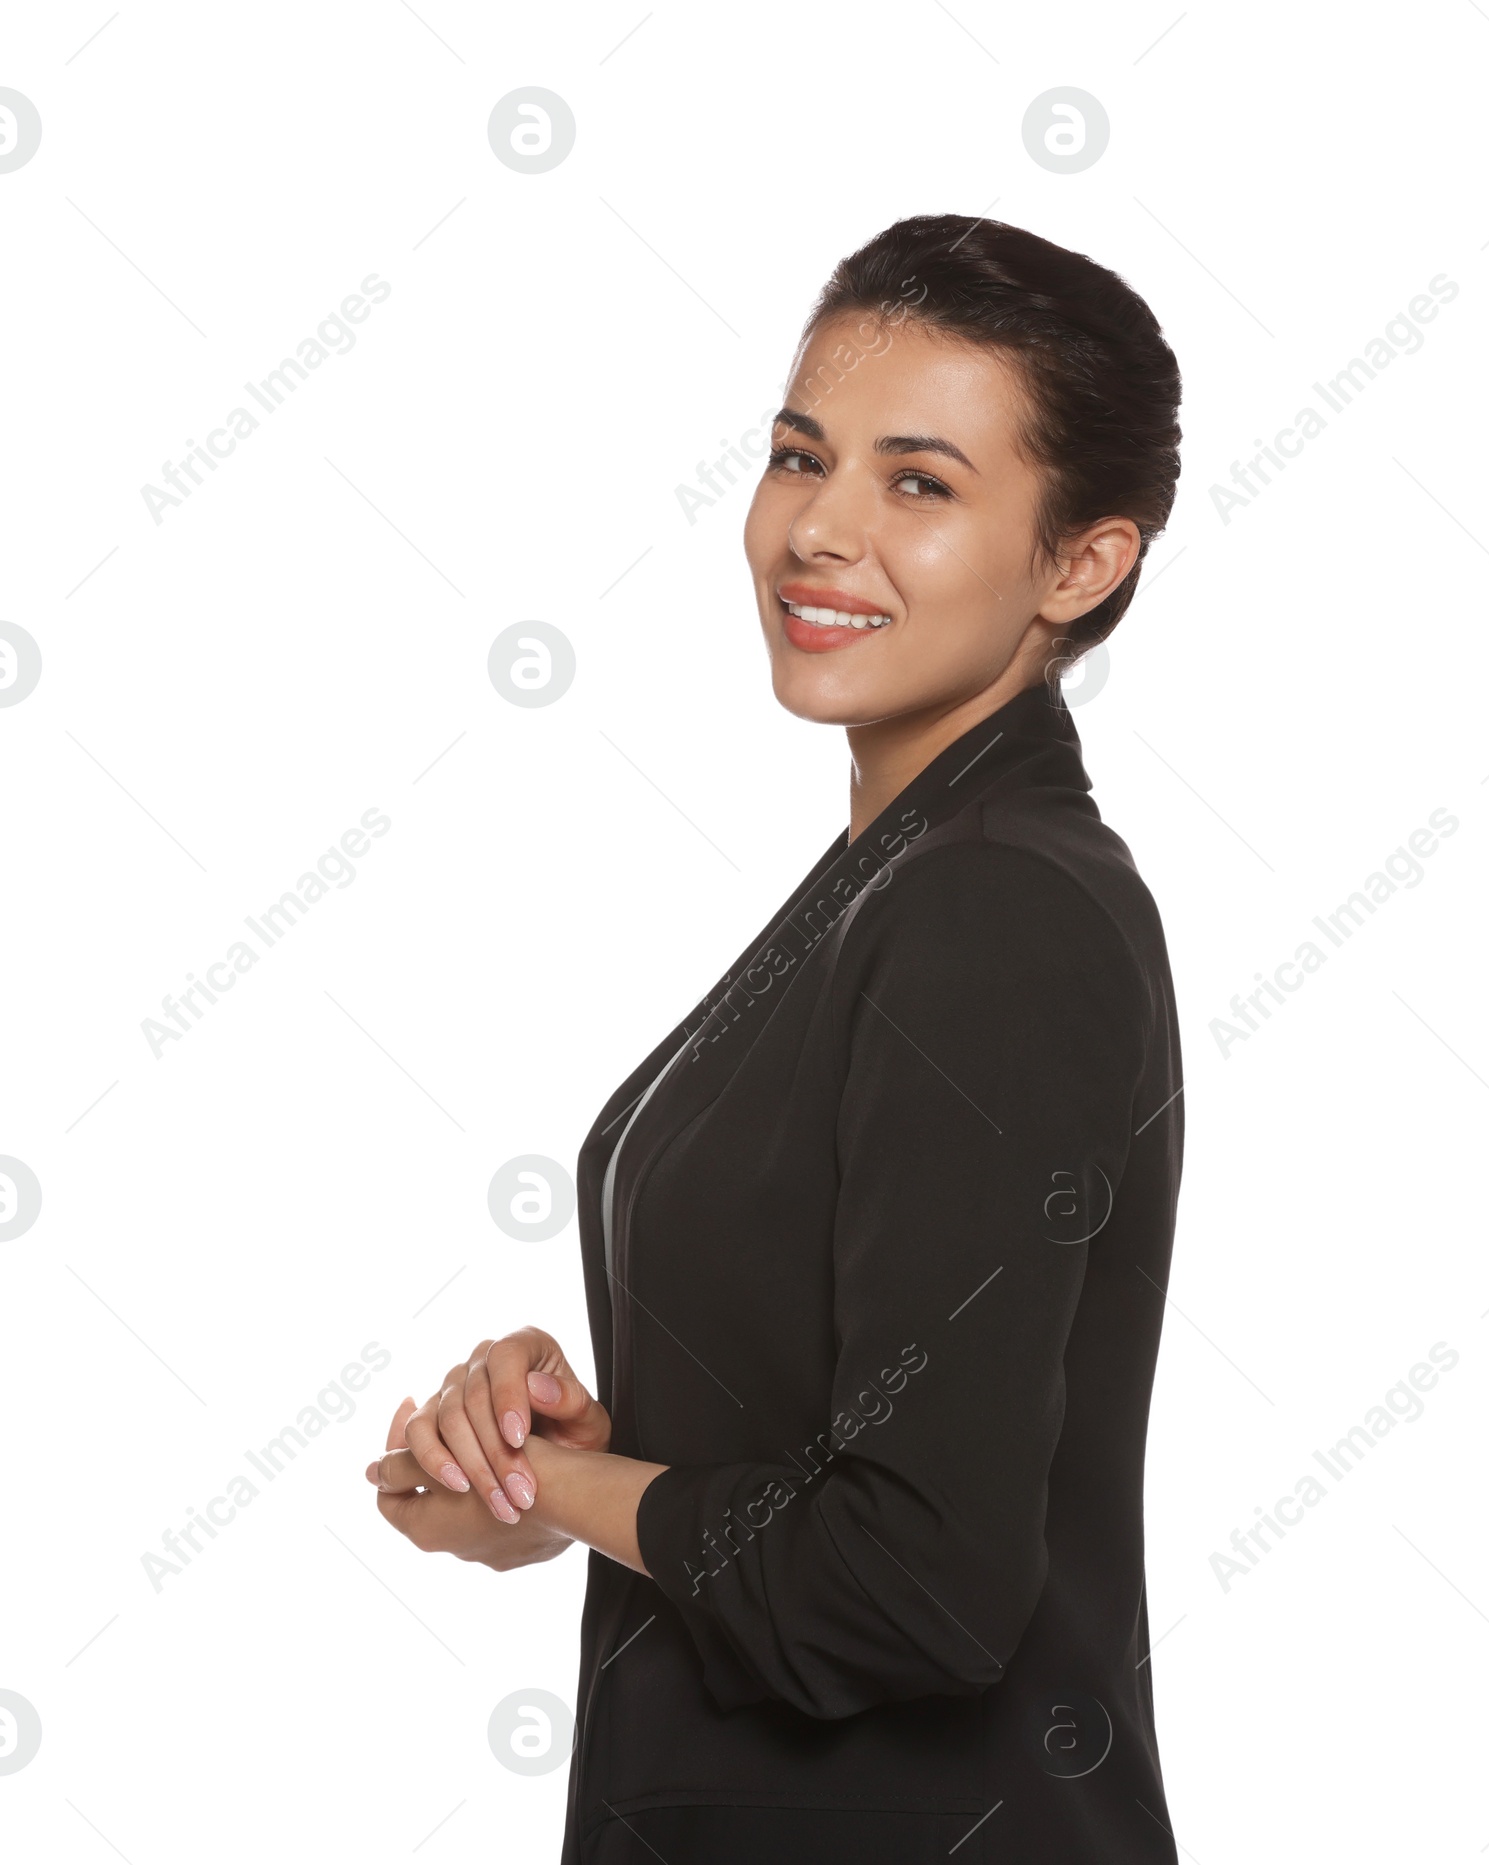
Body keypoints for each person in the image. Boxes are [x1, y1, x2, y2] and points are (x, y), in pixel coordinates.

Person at [368, 212, 1186, 1863]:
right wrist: (585, 1449)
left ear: (1081, 563)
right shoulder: (906, 883)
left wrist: (562, 1497)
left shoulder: (995, 914)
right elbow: (851, 1453)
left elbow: (917, 1585)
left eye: (921, 484)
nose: (818, 530)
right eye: (801, 456)